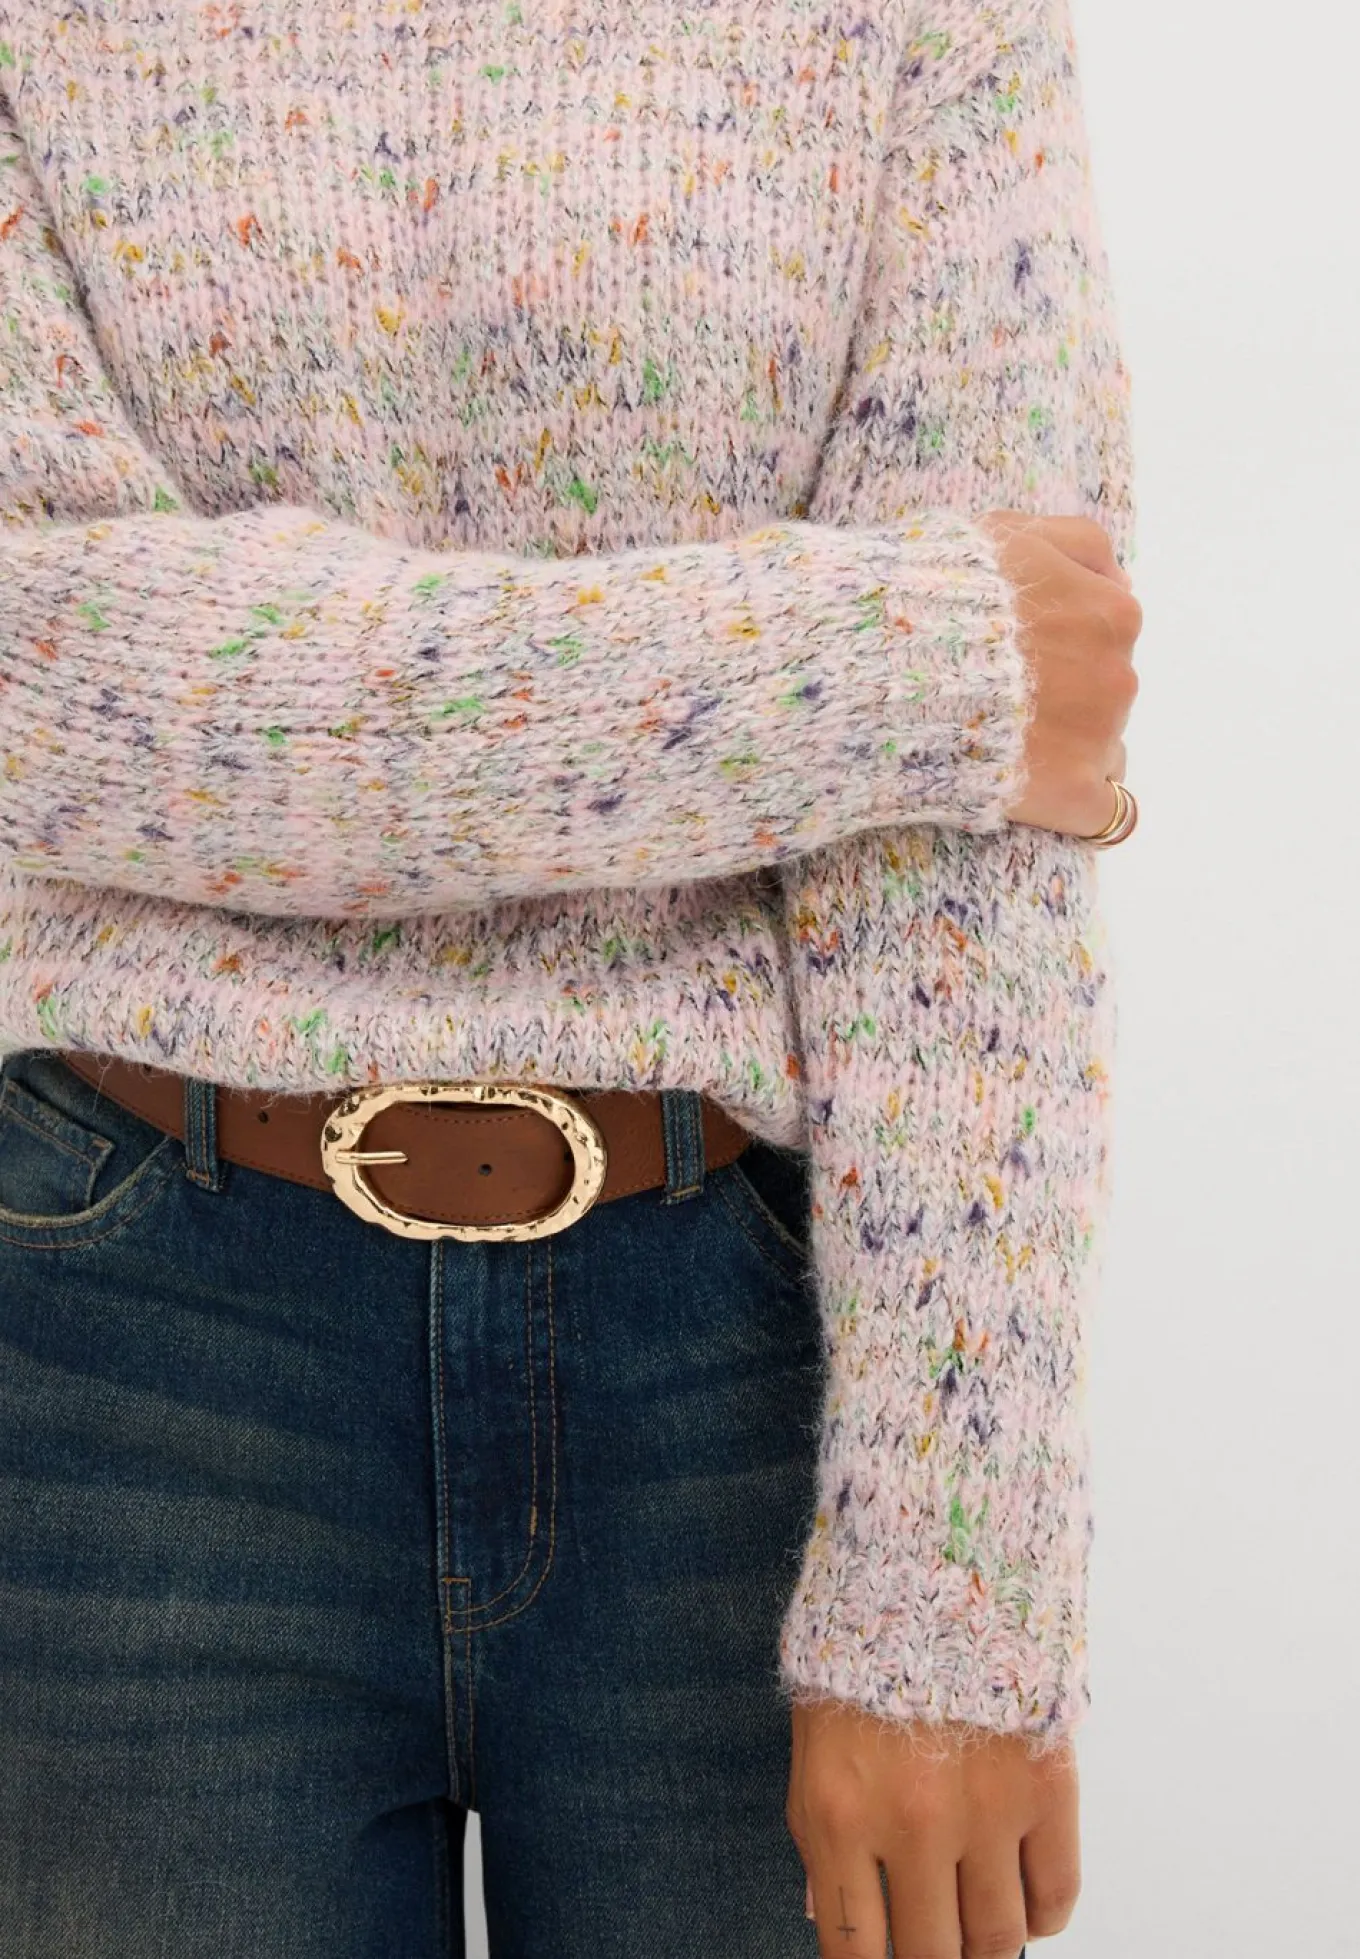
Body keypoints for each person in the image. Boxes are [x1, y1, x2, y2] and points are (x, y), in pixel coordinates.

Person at [0, 0, 1140, 1952]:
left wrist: (950, 1599)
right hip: (136, 1361)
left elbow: (974, 866)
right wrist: (907, 656)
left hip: (741, 1371)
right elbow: (41, 692)